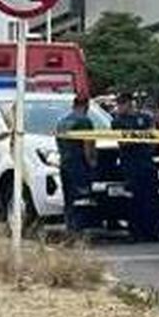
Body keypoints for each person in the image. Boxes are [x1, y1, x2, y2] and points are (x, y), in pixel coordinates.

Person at [112, 92, 159, 241]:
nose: (119, 107)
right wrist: (141, 137)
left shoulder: (144, 118)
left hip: (146, 163)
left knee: (152, 198)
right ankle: (136, 232)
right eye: (118, 104)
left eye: (122, 104)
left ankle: (153, 232)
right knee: (135, 199)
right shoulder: (117, 122)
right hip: (130, 165)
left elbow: (153, 137)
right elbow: (123, 142)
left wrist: (142, 138)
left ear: (129, 103)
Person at [55, 94, 95, 234]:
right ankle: (79, 229)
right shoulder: (84, 121)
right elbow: (88, 145)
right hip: (78, 164)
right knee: (81, 197)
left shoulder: (62, 121)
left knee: (68, 198)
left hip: (65, 163)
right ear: (86, 106)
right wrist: (92, 163)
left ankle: (70, 227)